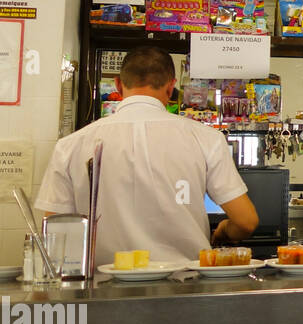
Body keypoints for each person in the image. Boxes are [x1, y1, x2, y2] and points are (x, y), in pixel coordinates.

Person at [35, 45, 259, 266]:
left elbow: (56, 233)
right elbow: (246, 222)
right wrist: (223, 232)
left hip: (102, 288)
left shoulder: (71, 145)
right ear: (171, 88)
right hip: (184, 286)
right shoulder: (206, 138)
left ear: (118, 85)